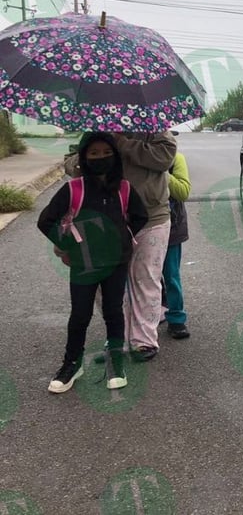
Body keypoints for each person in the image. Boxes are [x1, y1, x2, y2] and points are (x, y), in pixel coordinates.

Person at [38, 132, 148, 393]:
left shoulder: (124, 188)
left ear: (115, 156)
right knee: (80, 314)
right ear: (84, 157)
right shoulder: (73, 189)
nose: (101, 158)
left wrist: (123, 235)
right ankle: (72, 364)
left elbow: (140, 216)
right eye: (94, 153)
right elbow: (45, 220)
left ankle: (116, 362)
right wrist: (67, 245)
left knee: (113, 311)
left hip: (115, 262)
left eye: (107, 152)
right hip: (84, 265)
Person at [69, 132, 177, 361]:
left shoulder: (155, 127)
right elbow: (70, 161)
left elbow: (165, 158)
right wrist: (93, 158)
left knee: (145, 279)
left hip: (150, 217)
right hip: (105, 219)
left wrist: (122, 143)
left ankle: (144, 341)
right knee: (105, 284)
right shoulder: (95, 127)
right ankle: (118, 339)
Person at [162, 150, 191, 339]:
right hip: (136, 226)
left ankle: (176, 318)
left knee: (170, 273)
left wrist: (161, 172)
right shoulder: (125, 156)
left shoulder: (175, 158)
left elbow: (183, 192)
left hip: (171, 227)